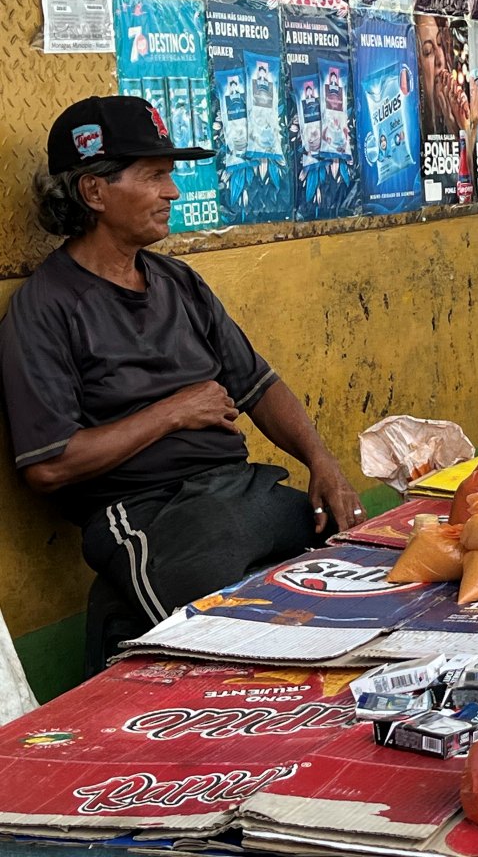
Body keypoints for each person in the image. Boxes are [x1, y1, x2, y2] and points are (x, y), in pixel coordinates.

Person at [0, 96, 364, 645]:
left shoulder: (178, 281)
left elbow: (258, 385)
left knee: (359, 562)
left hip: (242, 491)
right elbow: (49, 466)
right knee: (233, 635)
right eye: (154, 176)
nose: (172, 192)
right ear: (94, 191)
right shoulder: (45, 308)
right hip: (149, 514)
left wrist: (322, 462)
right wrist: (172, 413)